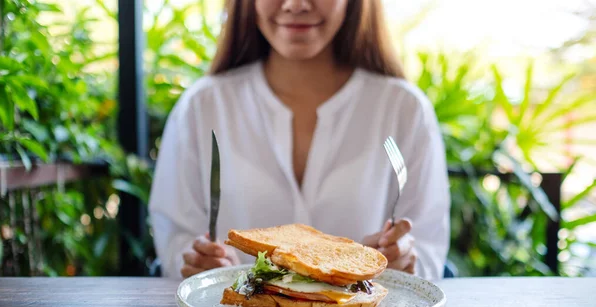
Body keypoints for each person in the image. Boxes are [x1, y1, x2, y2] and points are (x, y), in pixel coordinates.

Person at [148, 0, 451, 280]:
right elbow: (176, 238)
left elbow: (427, 248)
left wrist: (405, 261)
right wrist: (196, 263)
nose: (296, 5)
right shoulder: (202, 107)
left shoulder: (405, 109)